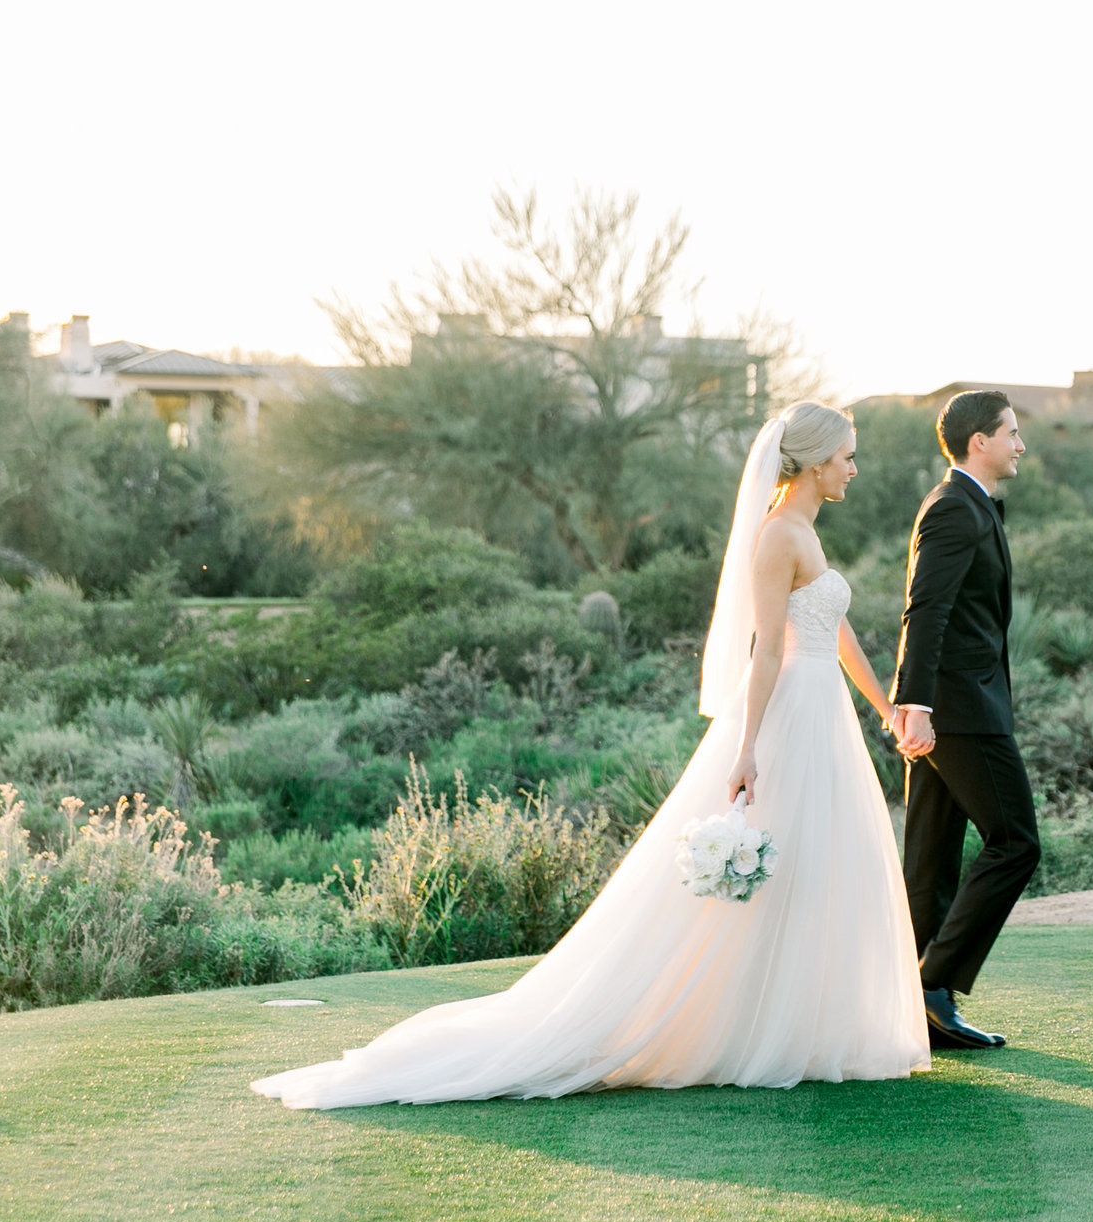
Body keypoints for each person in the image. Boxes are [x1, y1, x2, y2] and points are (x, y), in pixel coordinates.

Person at [251, 403, 929, 1107]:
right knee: (787, 861)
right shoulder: (777, 536)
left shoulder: (807, 532)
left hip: (826, 716)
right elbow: (763, 654)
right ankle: (756, 1029)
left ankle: (813, 1024)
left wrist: (884, 710)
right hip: (791, 715)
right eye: (849, 455)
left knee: (822, 863)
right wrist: (748, 745)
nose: (855, 467)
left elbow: (836, 630)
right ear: (817, 462)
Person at [891, 389, 1039, 1050]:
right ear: (979, 440)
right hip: (959, 710)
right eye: (1011, 432)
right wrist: (915, 705)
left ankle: (920, 1003)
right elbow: (926, 612)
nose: (1020, 444)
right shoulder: (953, 508)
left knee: (930, 857)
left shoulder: (967, 504)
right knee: (1016, 841)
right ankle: (932, 980)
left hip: (958, 704)